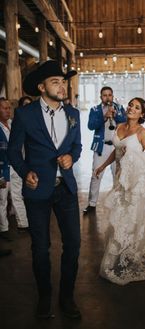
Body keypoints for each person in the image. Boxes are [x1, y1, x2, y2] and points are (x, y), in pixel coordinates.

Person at [8, 60, 82, 319]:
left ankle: (67, 297)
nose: (62, 86)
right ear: (41, 87)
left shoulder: (74, 114)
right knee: (40, 247)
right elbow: (13, 151)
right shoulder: (24, 116)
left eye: (63, 81)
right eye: (55, 82)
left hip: (66, 190)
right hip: (37, 190)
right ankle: (44, 297)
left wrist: (72, 157)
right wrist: (25, 171)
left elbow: (77, 146)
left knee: (73, 245)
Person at [94, 97, 145, 285]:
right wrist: (102, 167)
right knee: (118, 216)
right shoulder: (119, 126)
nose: (131, 109)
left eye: (137, 107)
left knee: (130, 219)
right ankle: (120, 252)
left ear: (142, 114)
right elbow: (116, 151)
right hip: (120, 180)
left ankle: (123, 257)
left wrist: (132, 156)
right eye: (131, 105)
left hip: (135, 183)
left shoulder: (142, 133)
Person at [83, 86, 126, 214]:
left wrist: (116, 114)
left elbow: (125, 123)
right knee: (96, 175)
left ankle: (118, 202)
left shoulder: (119, 108)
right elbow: (91, 126)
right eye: (105, 95)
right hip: (101, 147)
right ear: (101, 97)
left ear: (113, 96)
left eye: (110, 95)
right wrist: (104, 117)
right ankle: (92, 204)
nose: (108, 97)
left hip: (116, 147)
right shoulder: (95, 110)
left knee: (117, 176)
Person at [0, 98, 28, 241]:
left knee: (18, 195)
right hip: (2, 169)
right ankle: (3, 229)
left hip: (16, 166)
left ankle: (23, 224)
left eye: (9, 108)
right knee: (2, 200)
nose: (7, 111)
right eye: (4, 108)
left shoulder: (13, 124)